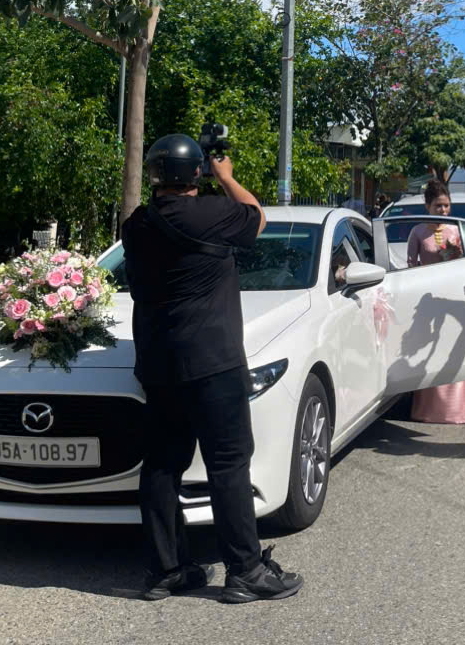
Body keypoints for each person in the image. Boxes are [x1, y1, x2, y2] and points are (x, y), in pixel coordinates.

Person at [123, 134, 302, 604]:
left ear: (154, 174)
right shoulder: (211, 212)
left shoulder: (136, 224)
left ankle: (166, 570)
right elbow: (257, 218)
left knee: (162, 465)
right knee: (228, 463)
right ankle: (245, 571)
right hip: (212, 363)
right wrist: (226, 177)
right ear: (197, 173)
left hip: (159, 365)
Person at [405, 179, 465, 424]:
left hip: (456, 297)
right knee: (433, 347)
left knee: (458, 347)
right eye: (438, 206)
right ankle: (433, 408)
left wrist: (455, 256)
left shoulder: (456, 229)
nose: (443, 210)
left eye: (446, 205)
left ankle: (464, 407)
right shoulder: (418, 232)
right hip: (429, 299)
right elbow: (410, 266)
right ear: (427, 206)